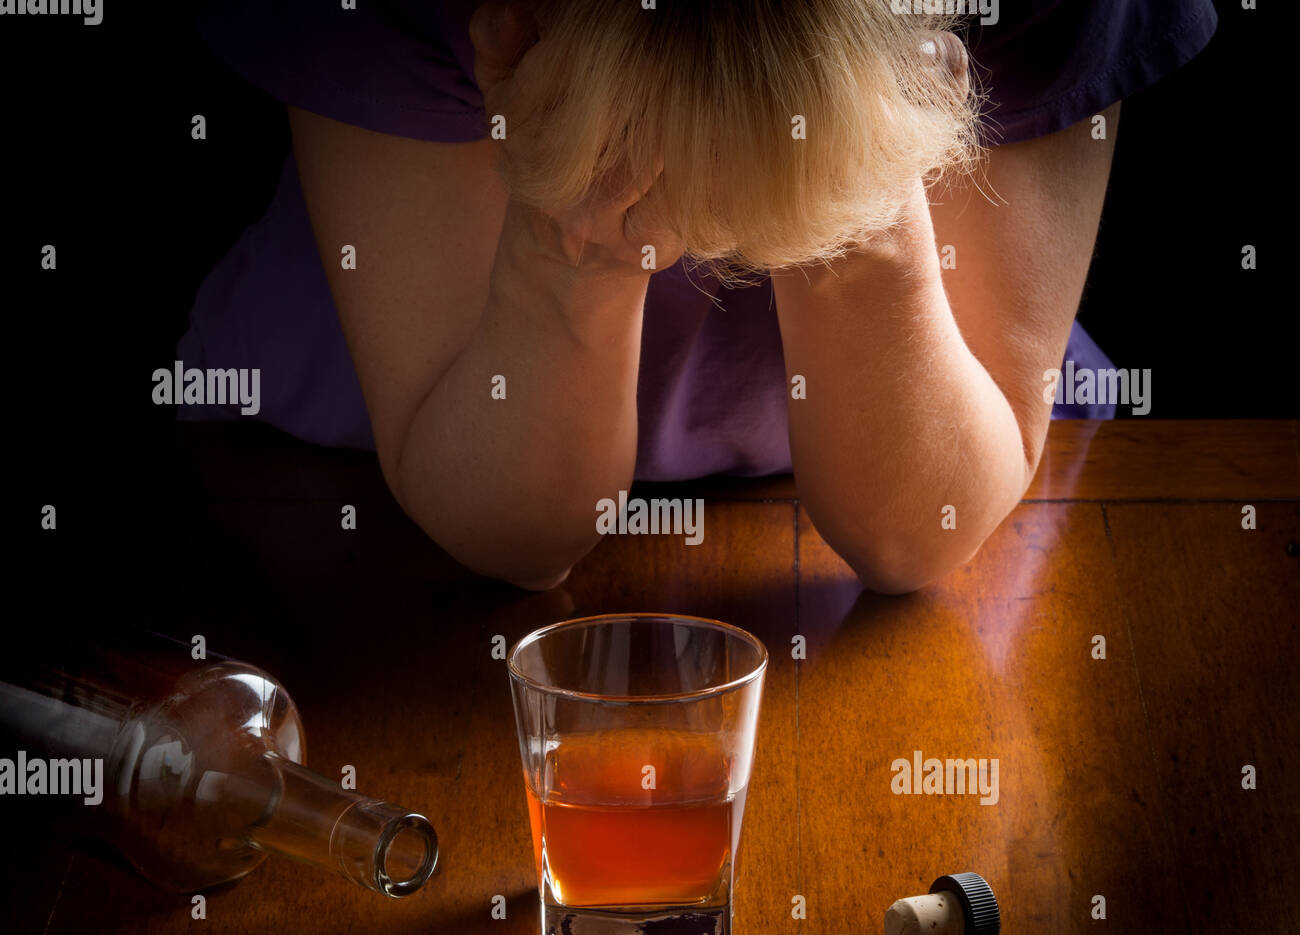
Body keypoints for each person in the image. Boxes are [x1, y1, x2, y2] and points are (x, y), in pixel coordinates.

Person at [178, 0, 1217, 591]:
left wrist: (851, 186)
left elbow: (918, 532)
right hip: (362, 480)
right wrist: (569, 246)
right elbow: (511, 532)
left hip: (953, 425)